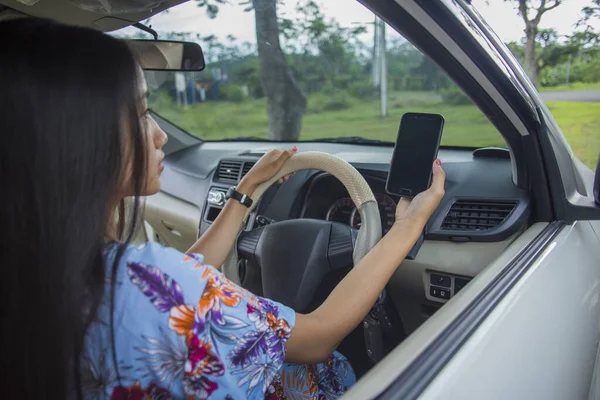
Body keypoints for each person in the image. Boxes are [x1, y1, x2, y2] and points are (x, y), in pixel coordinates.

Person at [0, 18, 446, 400]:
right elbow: (319, 336)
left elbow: (179, 280)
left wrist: (246, 190)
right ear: (74, 142)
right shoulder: (150, 285)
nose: (159, 136)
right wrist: (406, 227)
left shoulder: (48, 272)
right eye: (140, 112)